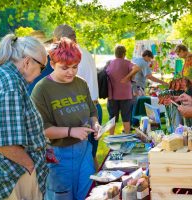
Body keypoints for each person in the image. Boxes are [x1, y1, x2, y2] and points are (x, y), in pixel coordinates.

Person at [31, 37, 100, 200]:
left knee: (89, 194)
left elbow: (92, 112)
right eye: (65, 67)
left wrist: (95, 124)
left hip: (84, 152)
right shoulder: (41, 90)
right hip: (58, 156)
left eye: (75, 67)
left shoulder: (81, 83)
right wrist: (71, 131)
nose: (71, 72)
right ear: (52, 64)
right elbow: (43, 130)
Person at [0, 34, 48, 200]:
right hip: (15, 175)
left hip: (8, 172)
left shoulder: (0, 75)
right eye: (42, 67)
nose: (41, 73)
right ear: (27, 62)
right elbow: (5, 144)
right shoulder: (11, 85)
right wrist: (31, 166)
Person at [53, 24, 102, 170]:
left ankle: (92, 188)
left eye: (55, 42)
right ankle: (96, 185)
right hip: (94, 106)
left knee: (82, 159)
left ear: (60, 39)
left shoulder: (70, 56)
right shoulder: (85, 52)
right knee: (90, 155)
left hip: (83, 109)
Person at [106, 45, 137, 134]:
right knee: (126, 118)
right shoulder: (127, 63)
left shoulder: (109, 63)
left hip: (112, 95)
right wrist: (127, 77)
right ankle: (126, 138)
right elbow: (137, 68)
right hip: (126, 96)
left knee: (112, 119)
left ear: (115, 54)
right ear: (124, 54)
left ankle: (111, 139)